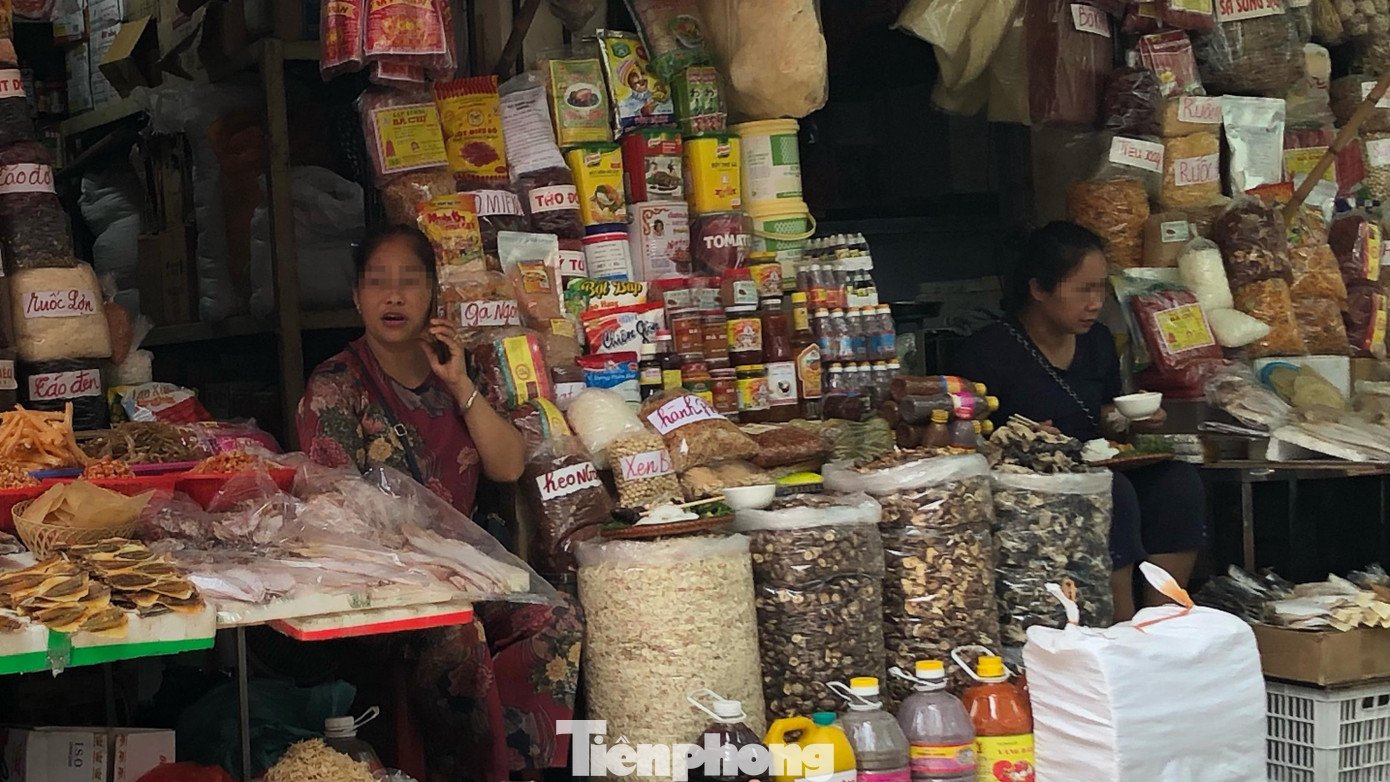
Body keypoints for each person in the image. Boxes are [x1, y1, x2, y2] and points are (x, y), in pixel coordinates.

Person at [296, 225, 582, 782]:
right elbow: (333, 505)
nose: (394, 296)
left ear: (433, 294)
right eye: (378, 283)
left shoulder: (459, 369)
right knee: (460, 634)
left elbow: (507, 466)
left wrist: (459, 385)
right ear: (357, 296)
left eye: (409, 282)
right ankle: (472, 772)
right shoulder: (336, 384)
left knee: (558, 614)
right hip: (385, 585)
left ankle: (527, 768)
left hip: (468, 572)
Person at [951, 221, 1207, 621]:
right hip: (1030, 481)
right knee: (1113, 492)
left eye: (1101, 288)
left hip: (1095, 459)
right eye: (1083, 290)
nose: (1095, 302)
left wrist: (1130, 419)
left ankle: (1164, 621)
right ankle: (1122, 628)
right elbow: (967, 438)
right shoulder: (988, 352)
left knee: (1177, 481)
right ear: (1038, 290)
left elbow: (1102, 416)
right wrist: (1023, 438)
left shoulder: (1098, 341)